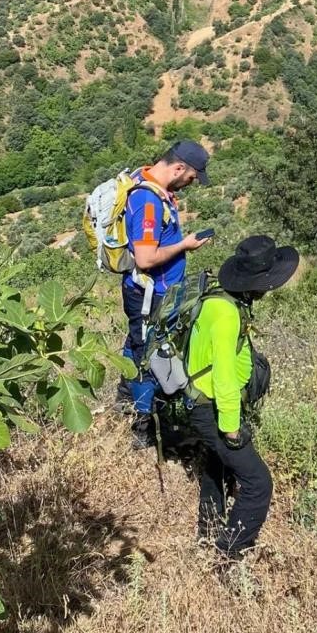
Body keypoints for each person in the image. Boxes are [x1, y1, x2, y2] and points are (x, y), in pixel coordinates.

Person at [185, 235, 298, 562]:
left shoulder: (220, 300)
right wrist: (231, 428)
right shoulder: (226, 314)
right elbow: (222, 374)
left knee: (217, 465)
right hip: (213, 407)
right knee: (258, 483)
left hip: (202, 402)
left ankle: (207, 534)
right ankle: (229, 554)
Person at [119, 140, 212, 445]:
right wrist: (184, 245)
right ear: (178, 168)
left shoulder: (152, 187)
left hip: (155, 294)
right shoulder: (148, 201)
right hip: (150, 296)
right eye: (191, 177)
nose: (191, 183)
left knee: (137, 347)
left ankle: (125, 403)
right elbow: (146, 258)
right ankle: (142, 429)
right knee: (148, 357)